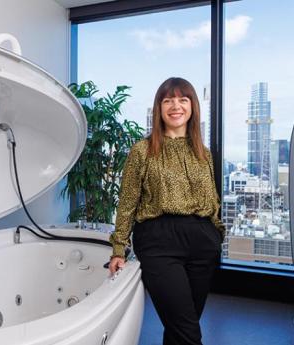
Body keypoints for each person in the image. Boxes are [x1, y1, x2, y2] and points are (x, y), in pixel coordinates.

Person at [108, 77, 225, 345]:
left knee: (182, 326)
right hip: (159, 241)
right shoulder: (142, 151)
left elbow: (212, 199)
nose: (176, 106)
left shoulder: (203, 153)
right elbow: (127, 202)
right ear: (158, 108)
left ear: (192, 106)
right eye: (168, 100)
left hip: (202, 242)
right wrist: (119, 248)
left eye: (183, 99)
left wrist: (215, 234)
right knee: (187, 331)